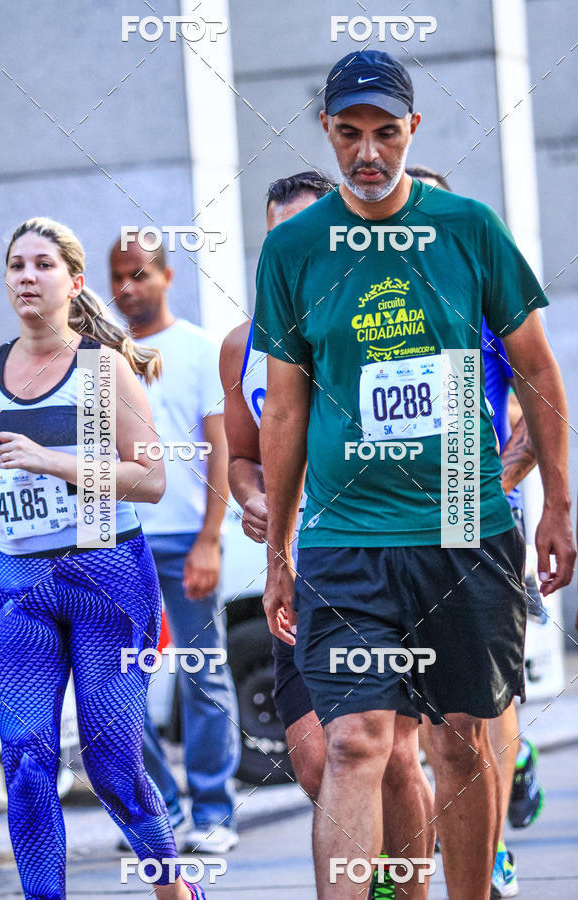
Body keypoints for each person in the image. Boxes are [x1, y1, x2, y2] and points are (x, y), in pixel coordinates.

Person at [253, 50, 576, 900]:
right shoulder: (292, 250)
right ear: (326, 131)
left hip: (462, 527)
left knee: (461, 737)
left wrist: (558, 509)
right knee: (356, 740)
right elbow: (282, 411)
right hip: (347, 539)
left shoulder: (468, 228)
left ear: (413, 131)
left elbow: (538, 368)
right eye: (351, 134)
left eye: (386, 133)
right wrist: (279, 547)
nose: (368, 153)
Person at [220, 170, 435, 900]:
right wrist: (256, 501)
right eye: (282, 233)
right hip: (300, 569)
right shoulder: (241, 344)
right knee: (318, 761)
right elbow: (243, 458)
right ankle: (369, 875)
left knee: (389, 755)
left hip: (383, 555)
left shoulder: (388, 322)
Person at [0, 218, 204, 899]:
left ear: (73, 282)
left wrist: (54, 461)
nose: (26, 276)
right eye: (16, 264)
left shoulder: (100, 369)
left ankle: (171, 884)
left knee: (109, 762)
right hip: (18, 580)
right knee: (25, 760)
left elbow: (151, 478)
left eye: (42, 264)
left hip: (105, 575)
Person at [409, 165, 546, 897]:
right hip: (393, 527)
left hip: (478, 518)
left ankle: (487, 847)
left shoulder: (481, 299)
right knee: (433, 721)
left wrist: (498, 483)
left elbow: (537, 402)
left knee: (482, 704)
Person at [109, 237, 240, 855]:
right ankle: (156, 812)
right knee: (115, 685)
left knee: (203, 674)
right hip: (115, 542)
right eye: (116, 278)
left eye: (138, 275)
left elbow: (221, 449)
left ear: (165, 275)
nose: (127, 288)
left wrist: (210, 539)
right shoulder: (100, 353)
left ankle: (214, 814)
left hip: (186, 537)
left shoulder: (198, 350)